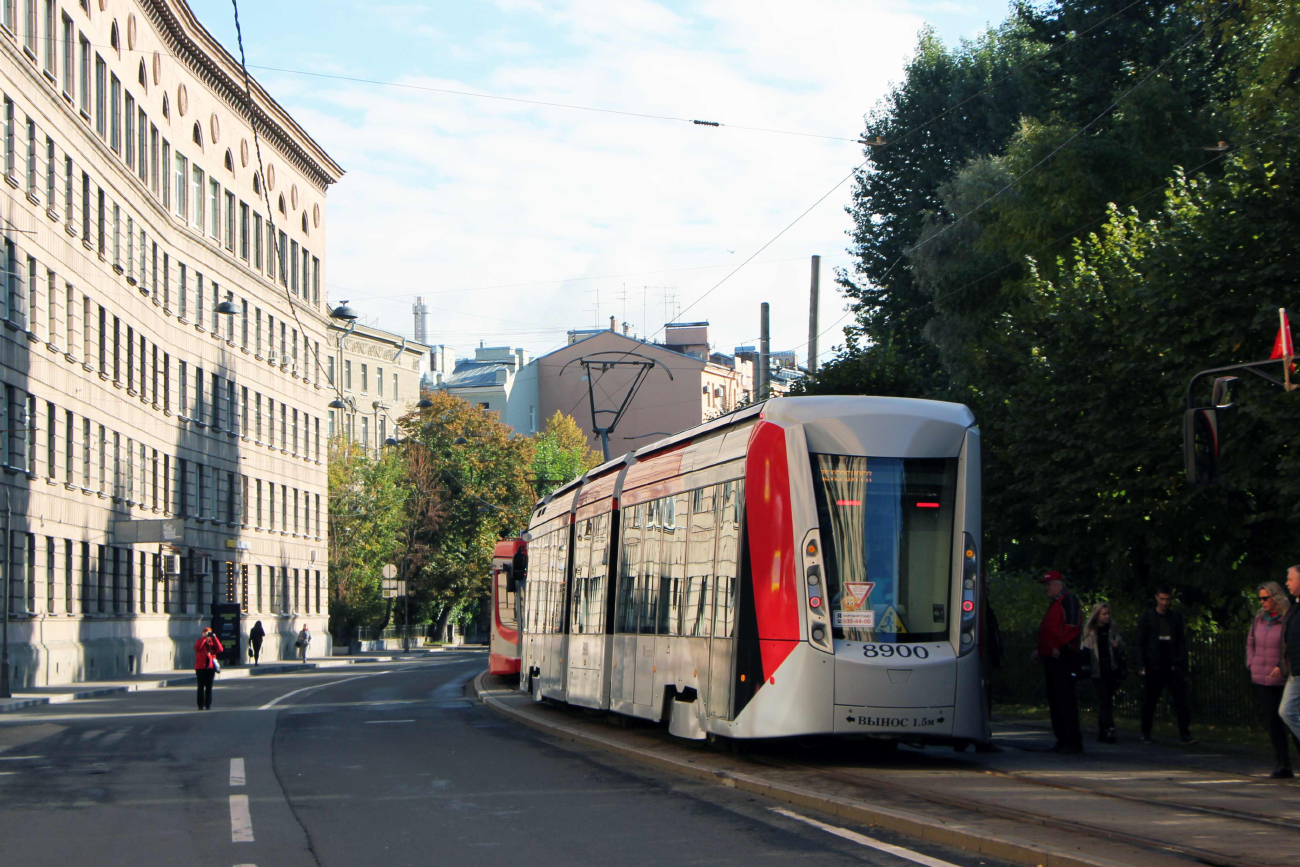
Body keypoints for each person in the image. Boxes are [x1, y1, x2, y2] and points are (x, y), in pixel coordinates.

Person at [1248, 580, 1297, 778]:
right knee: (1273, 721)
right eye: (1260, 598)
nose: (1262, 602)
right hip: (1262, 676)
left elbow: (1289, 645)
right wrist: (1252, 663)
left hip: (1283, 676)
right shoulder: (1259, 619)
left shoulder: (1288, 618)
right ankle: (1282, 763)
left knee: (1291, 717)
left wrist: (1281, 665)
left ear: (1276, 597)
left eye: (1265, 598)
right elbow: (1250, 642)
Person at [1031, 570, 1083, 753]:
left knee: (1064, 700)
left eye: (1049, 584)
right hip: (1053, 657)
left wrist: (1059, 646)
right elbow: (1051, 631)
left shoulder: (1068, 601)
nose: (1046, 588)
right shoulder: (1057, 603)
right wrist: (1041, 649)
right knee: (1056, 700)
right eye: (1046, 585)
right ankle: (1062, 739)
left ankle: (1071, 740)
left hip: (1063, 658)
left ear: (1059, 585)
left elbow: (1072, 626)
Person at [1136, 586, 1196, 745]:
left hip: (1172, 664)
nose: (1164, 602)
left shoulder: (1175, 618)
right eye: (1162, 599)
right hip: (1154, 664)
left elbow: (1181, 642)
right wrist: (1142, 663)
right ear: (1156, 598)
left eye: (1167, 599)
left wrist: (1182, 664)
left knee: (1181, 701)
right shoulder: (1148, 617)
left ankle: (1185, 734)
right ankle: (1146, 732)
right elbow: (1140, 642)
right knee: (1150, 700)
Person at [1081, 602, 1126, 743]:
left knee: (1106, 702)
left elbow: (1121, 645)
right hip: (1097, 670)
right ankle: (1109, 728)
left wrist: (1118, 645)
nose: (1107, 616)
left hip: (1110, 669)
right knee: (1104, 700)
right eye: (1104, 613)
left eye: (1108, 613)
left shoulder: (1111, 629)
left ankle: (1102, 732)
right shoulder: (1091, 630)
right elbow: (1085, 649)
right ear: (1097, 614)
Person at [1280, 566, 1300, 753]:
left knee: (1288, 711)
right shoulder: (1295, 607)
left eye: (1291, 579)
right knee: (1287, 711)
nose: (1287, 583)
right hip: (1295, 671)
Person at [194, 627, 223, 711]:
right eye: (205, 633)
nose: (207, 634)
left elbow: (220, 649)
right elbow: (197, 647)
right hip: (200, 667)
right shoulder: (200, 640)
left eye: (209, 633)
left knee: (209, 687)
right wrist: (204, 638)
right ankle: (200, 705)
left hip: (210, 667)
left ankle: (208, 705)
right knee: (200, 687)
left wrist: (214, 638)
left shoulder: (213, 642)